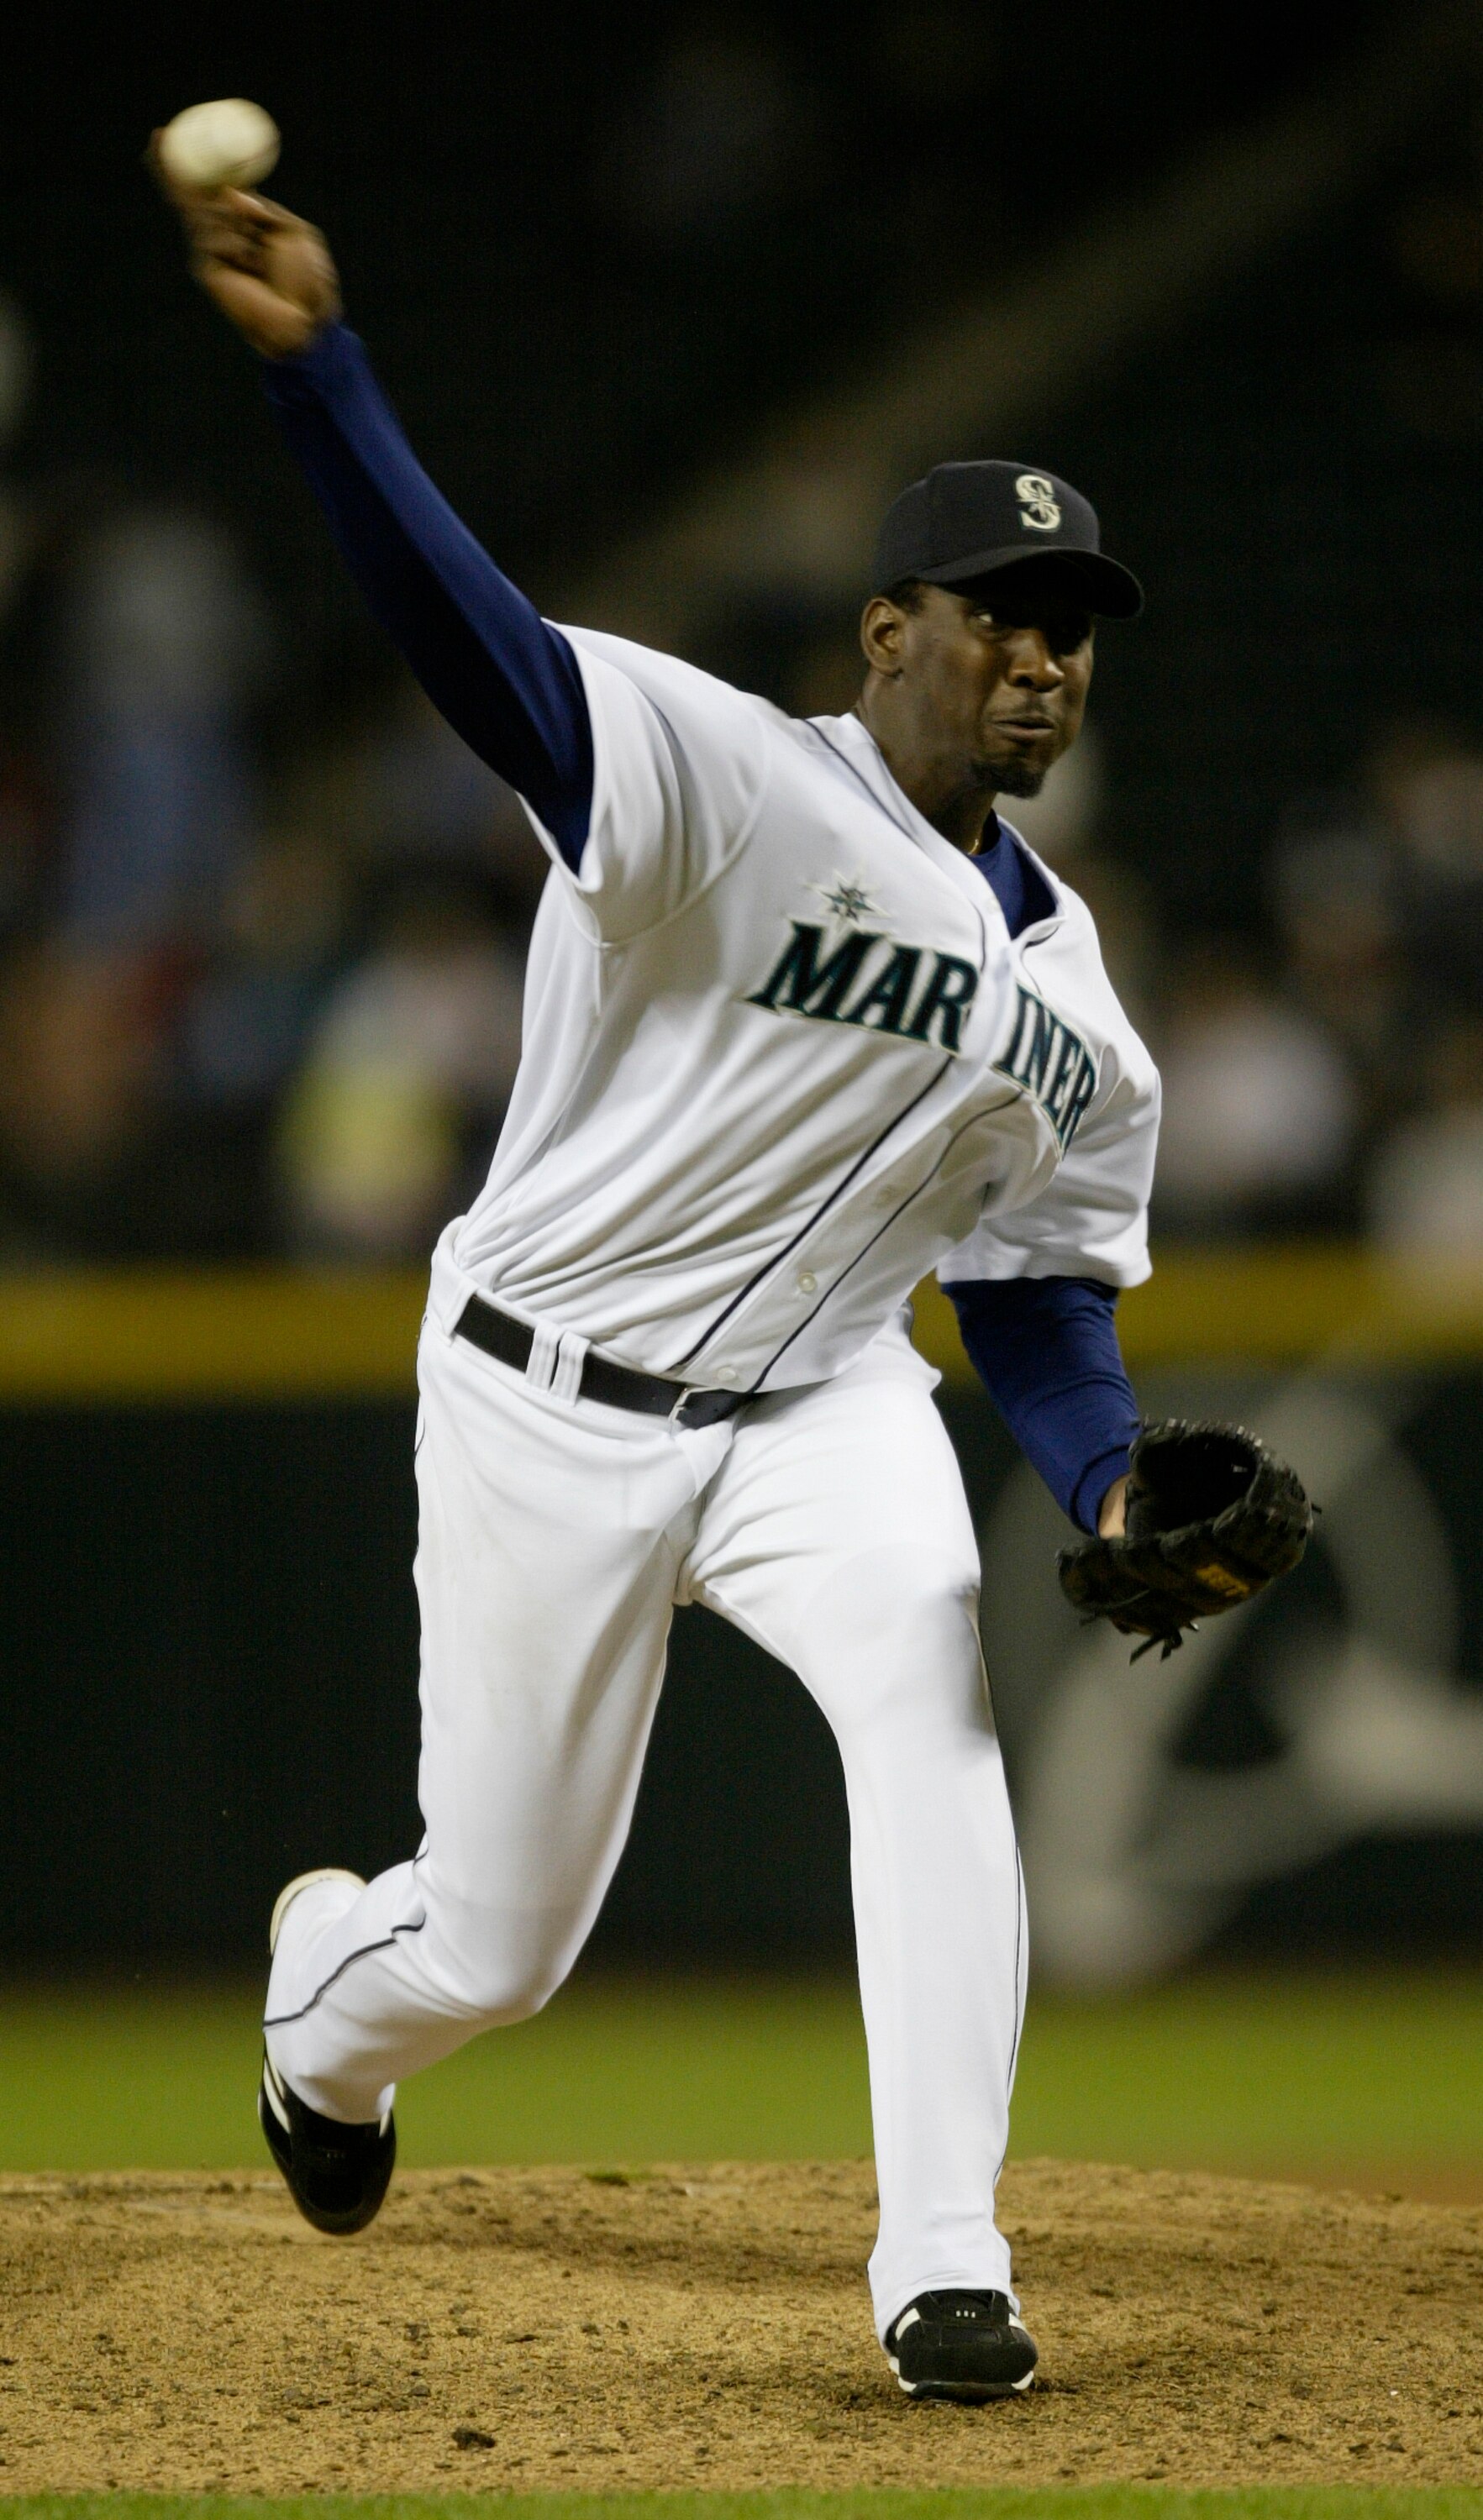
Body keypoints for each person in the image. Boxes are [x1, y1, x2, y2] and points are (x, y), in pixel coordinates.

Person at [155, 161, 1157, 2407]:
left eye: (1071, 617)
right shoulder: (720, 774)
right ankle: (329, 2012)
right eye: (995, 605)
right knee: (498, 1945)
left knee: (934, 1709)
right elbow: (474, 648)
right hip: (547, 1393)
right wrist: (328, 375)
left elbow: (1034, 1295)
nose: (1040, 648)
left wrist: (1099, 1484)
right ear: (885, 631)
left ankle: (944, 2260)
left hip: (826, 1408)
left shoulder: (1089, 1003)